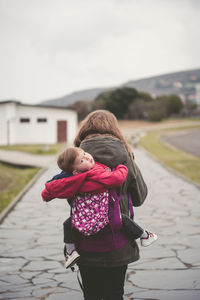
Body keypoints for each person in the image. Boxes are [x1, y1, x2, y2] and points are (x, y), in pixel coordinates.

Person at [42, 147, 157, 269]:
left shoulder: (70, 179)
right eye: (82, 160)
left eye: (85, 153)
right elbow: (117, 178)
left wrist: (46, 195)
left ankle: (71, 252)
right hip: (103, 217)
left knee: (67, 224)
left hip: (82, 219)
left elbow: (55, 184)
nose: (87, 157)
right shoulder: (96, 175)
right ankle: (144, 235)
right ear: (76, 171)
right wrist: (121, 167)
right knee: (122, 219)